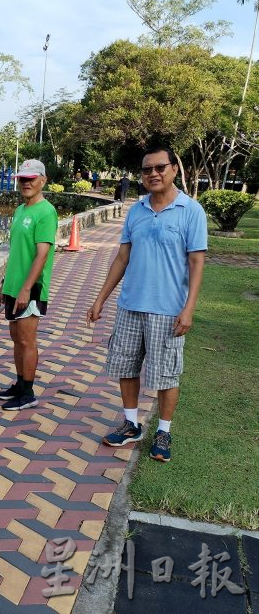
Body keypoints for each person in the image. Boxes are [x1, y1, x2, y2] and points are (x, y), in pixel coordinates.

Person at [86, 147, 207, 462]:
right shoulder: (136, 210)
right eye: (146, 170)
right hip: (130, 306)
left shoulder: (191, 211)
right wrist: (100, 298)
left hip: (168, 309)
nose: (153, 174)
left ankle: (163, 432)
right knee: (125, 366)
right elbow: (122, 257)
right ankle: (131, 424)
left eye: (159, 168)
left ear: (173, 170)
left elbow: (196, 262)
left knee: (167, 375)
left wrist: (189, 308)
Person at [0, 159, 58, 410]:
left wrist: (25, 288)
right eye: (22, 179)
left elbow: (42, 254)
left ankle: (29, 393)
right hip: (14, 284)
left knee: (27, 340)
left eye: (31, 179)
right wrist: (5, 284)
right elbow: (17, 252)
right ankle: (20, 384)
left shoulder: (46, 212)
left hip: (31, 287)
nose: (25, 183)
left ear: (43, 180)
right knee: (15, 337)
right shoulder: (21, 210)